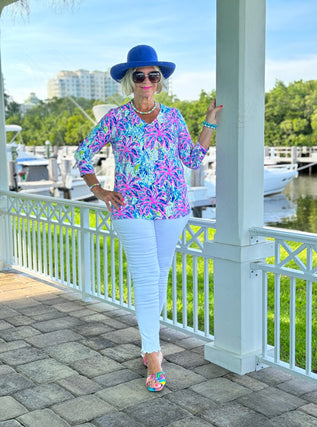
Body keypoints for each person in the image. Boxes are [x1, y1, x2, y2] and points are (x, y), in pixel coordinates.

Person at [75, 44, 222, 392]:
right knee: (145, 277)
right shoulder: (115, 117)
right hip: (130, 209)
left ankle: (148, 342)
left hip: (172, 207)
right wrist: (99, 190)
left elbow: (191, 159)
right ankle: (153, 353)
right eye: (138, 75)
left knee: (159, 276)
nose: (145, 80)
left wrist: (208, 123)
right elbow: (83, 153)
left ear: (160, 81)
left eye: (152, 75)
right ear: (130, 80)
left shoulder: (173, 116)